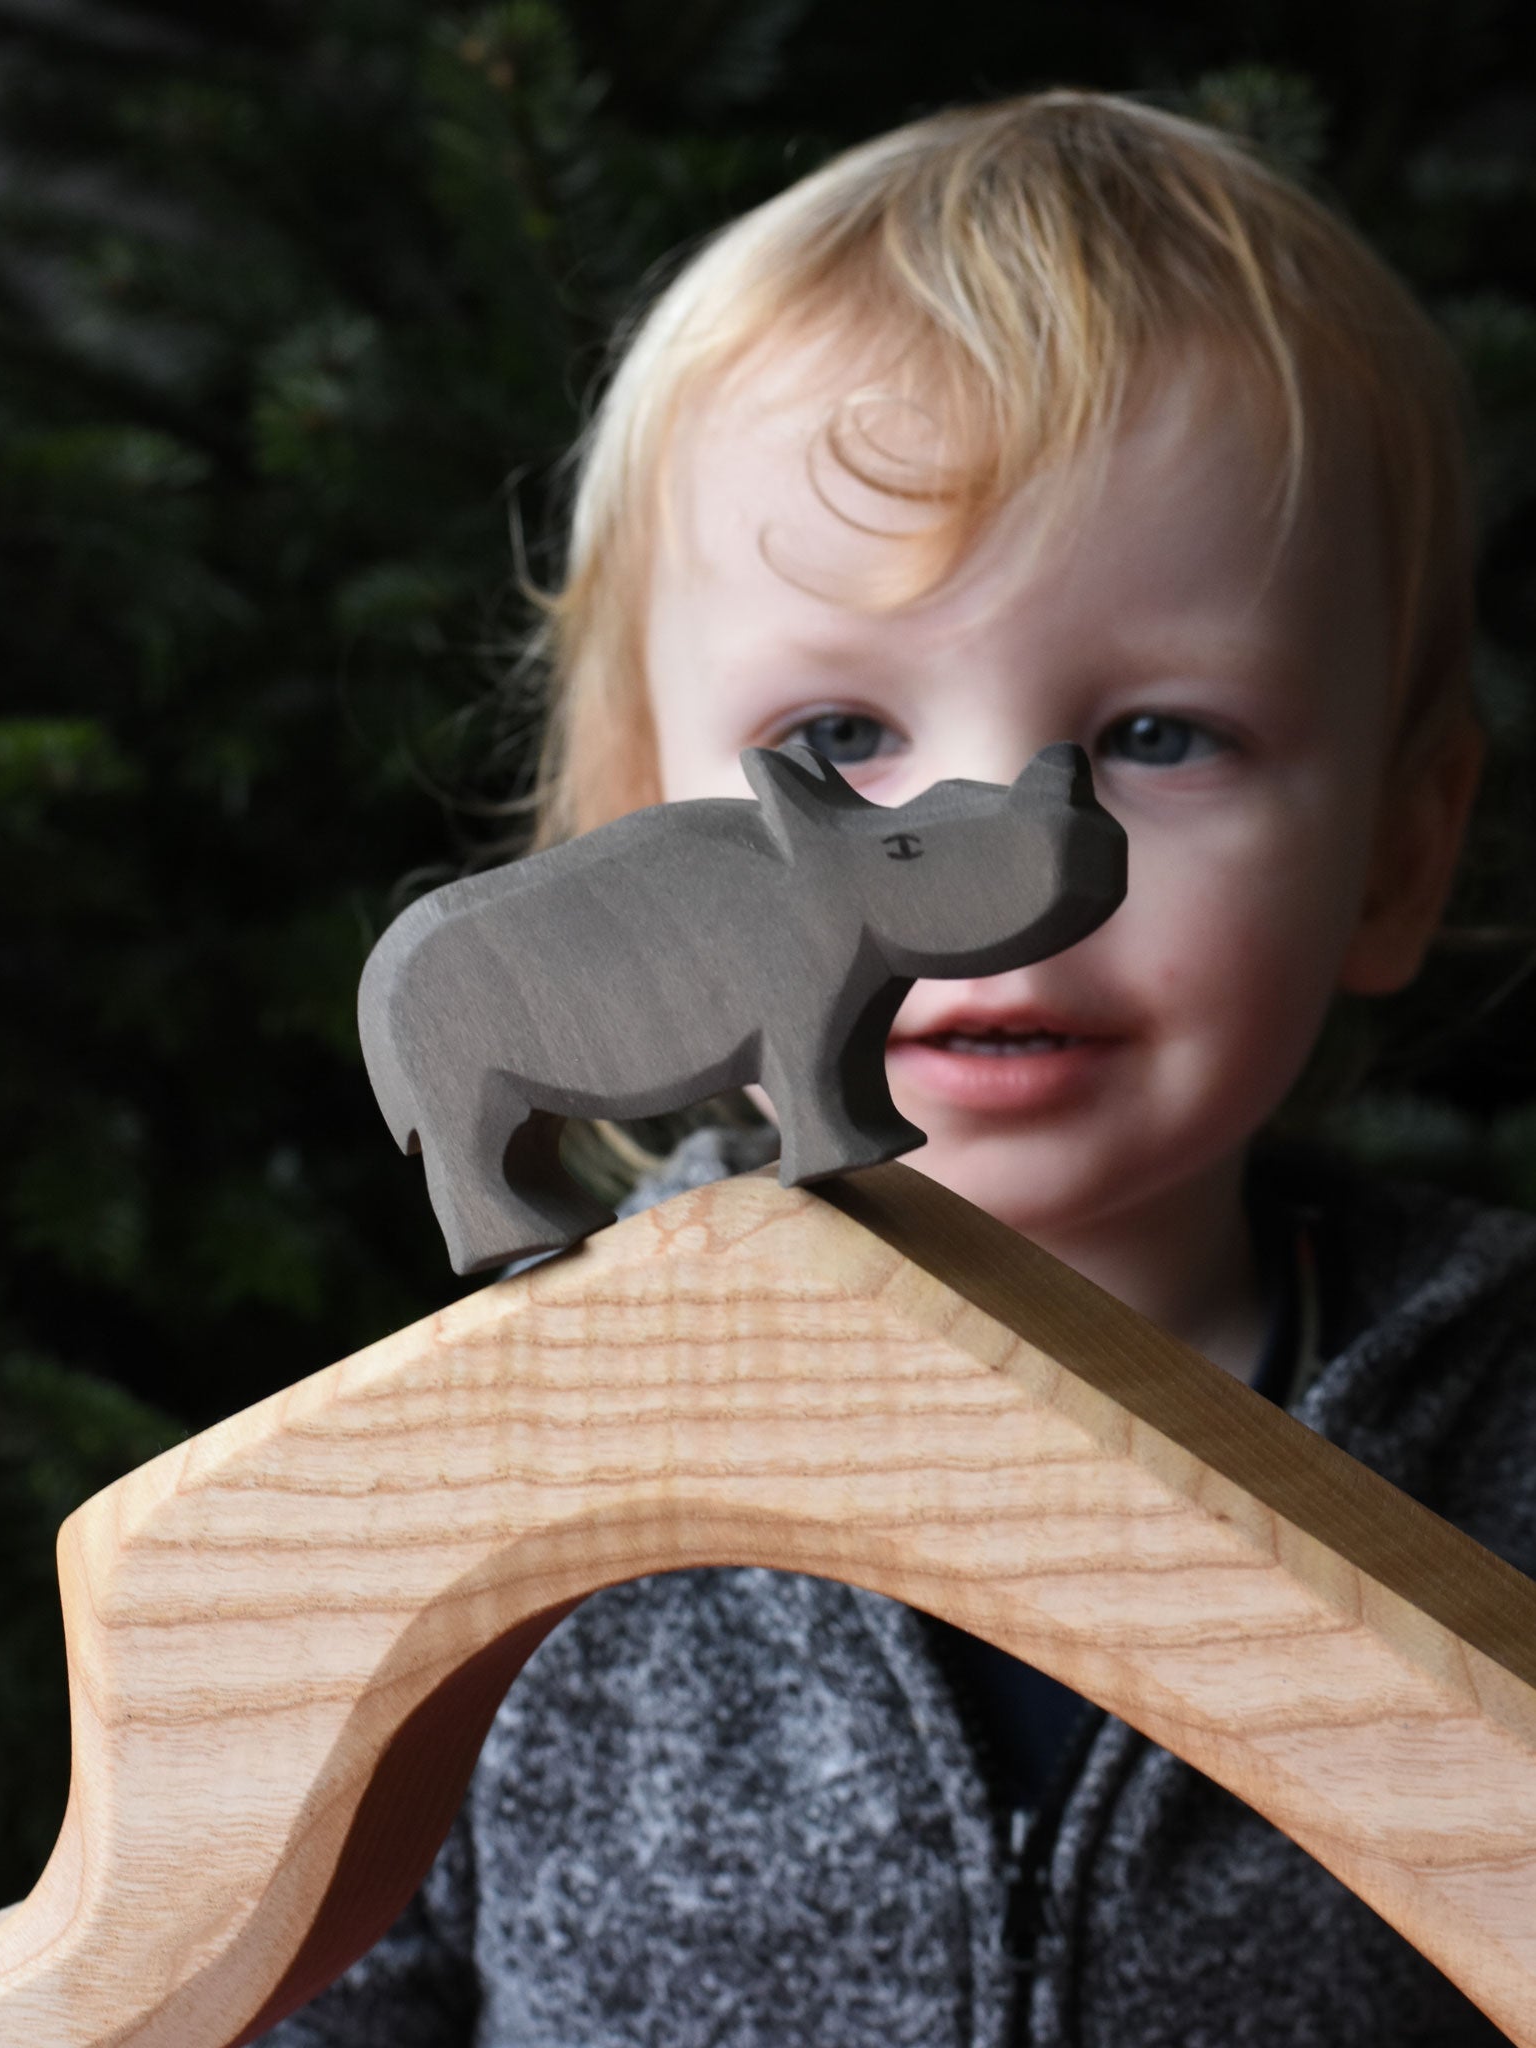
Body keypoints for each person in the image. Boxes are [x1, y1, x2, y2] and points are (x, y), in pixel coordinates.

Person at [264, 91, 1535, 2046]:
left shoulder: (1500, 1432)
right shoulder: (519, 1453)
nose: (1007, 889)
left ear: (1393, 851)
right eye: (840, 730)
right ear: (632, 835)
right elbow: (330, 1970)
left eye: (1155, 736)